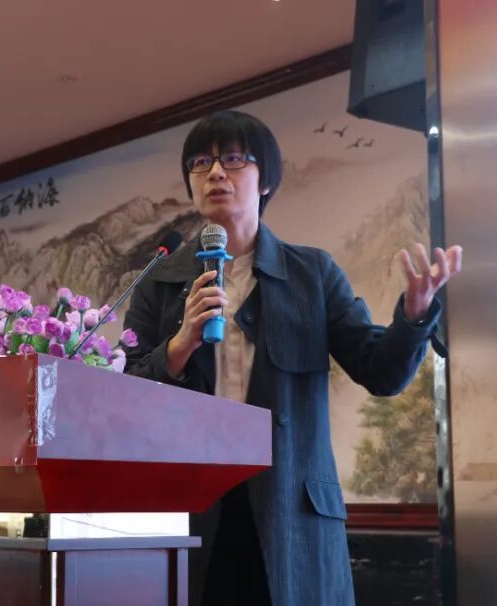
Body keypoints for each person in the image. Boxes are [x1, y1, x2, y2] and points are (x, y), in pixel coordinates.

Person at [122, 110, 463, 605]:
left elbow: (381, 372)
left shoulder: (312, 274)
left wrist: (414, 315)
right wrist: (178, 346)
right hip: (192, 515)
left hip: (292, 519)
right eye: (200, 163)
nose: (215, 173)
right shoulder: (158, 281)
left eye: (233, 159)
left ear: (265, 180)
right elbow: (124, 399)